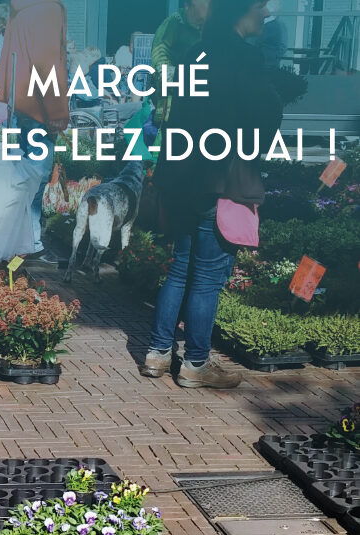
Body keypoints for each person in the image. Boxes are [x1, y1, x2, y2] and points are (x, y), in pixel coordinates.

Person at [142, 0, 282, 389]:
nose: (266, 14)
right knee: (206, 277)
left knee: (180, 265)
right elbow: (266, 113)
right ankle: (196, 364)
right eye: (261, 7)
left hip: (183, 175)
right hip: (220, 178)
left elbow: (177, 111)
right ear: (241, 11)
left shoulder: (193, 53)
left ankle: (157, 353)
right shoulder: (244, 57)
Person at [0, 0, 68, 261]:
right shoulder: (48, 9)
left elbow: (9, 58)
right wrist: (57, 113)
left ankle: (20, 241)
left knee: (24, 178)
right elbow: (47, 63)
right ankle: (29, 243)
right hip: (39, 106)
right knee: (35, 181)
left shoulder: (21, 10)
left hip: (21, 104)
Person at [151, 0, 210, 129]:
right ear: (188, 5)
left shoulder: (208, 28)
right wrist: (181, 78)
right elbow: (160, 58)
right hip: (171, 105)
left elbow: (204, 56)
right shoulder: (174, 23)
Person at [256, 0, 286, 68]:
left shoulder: (279, 25)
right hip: (263, 61)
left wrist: (273, 56)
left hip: (270, 63)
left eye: (274, 4)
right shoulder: (265, 24)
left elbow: (283, 46)